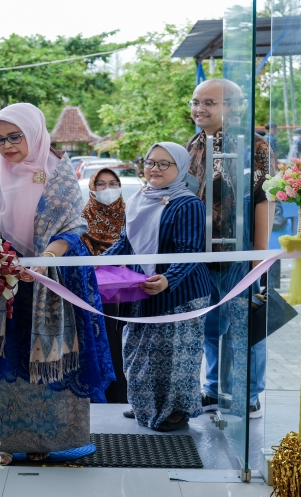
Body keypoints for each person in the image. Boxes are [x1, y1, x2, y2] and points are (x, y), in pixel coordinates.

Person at [0, 103, 114, 464]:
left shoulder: (58, 172)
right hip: (2, 282)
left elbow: (73, 228)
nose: (7, 146)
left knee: (50, 362)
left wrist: (46, 260)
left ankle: (48, 441)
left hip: (53, 282)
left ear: (35, 134)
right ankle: (9, 439)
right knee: (9, 362)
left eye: (15, 137)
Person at [103, 142, 209, 431]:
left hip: (179, 293)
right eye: (150, 162)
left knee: (174, 356)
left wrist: (168, 279)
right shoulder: (138, 198)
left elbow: (191, 251)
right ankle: (145, 404)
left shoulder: (187, 204)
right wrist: (96, 263)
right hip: (142, 289)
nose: (155, 169)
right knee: (138, 351)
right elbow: (125, 242)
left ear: (180, 168)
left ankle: (174, 412)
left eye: (164, 164)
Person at [186, 79, 271, 419]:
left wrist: (258, 255)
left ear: (233, 107)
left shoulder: (255, 146)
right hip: (200, 255)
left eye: (209, 102)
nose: (199, 108)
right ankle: (211, 389)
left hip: (239, 254)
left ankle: (248, 395)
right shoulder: (194, 144)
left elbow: (265, 199)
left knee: (243, 326)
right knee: (208, 327)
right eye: (195, 102)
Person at [81, 167, 127, 403]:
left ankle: (126, 396)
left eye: (112, 183)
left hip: (130, 295)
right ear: (92, 188)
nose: (107, 189)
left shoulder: (131, 215)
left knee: (126, 344)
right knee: (105, 342)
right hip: (96, 298)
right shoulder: (82, 220)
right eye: (100, 184)